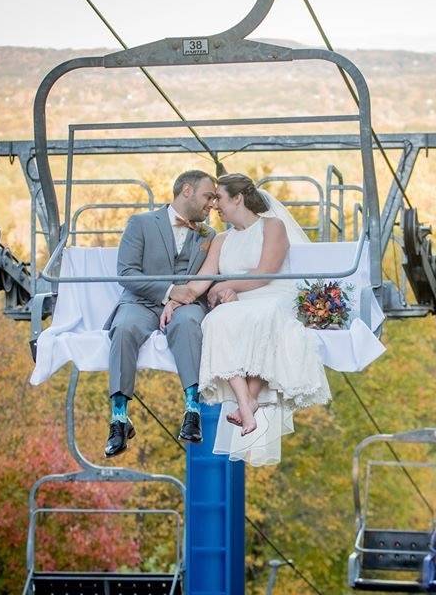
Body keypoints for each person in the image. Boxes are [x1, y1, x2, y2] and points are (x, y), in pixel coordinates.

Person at [164, 173, 331, 466]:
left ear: (238, 198)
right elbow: (203, 279)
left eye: (219, 198)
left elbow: (266, 271)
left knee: (262, 319)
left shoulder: (272, 227)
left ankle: (247, 402)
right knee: (215, 321)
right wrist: (176, 299)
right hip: (239, 300)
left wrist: (227, 286)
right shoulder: (221, 239)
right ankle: (246, 401)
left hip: (271, 293)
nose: (214, 205)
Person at [102, 170, 218, 457]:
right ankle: (118, 417)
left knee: (191, 323)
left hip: (186, 305)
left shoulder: (209, 234)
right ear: (187, 191)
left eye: (215, 198)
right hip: (141, 301)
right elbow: (127, 274)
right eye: (209, 196)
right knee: (125, 327)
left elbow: (207, 276)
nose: (213, 204)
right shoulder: (141, 223)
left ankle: (192, 409)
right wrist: (168, 292)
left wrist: (182, 298)